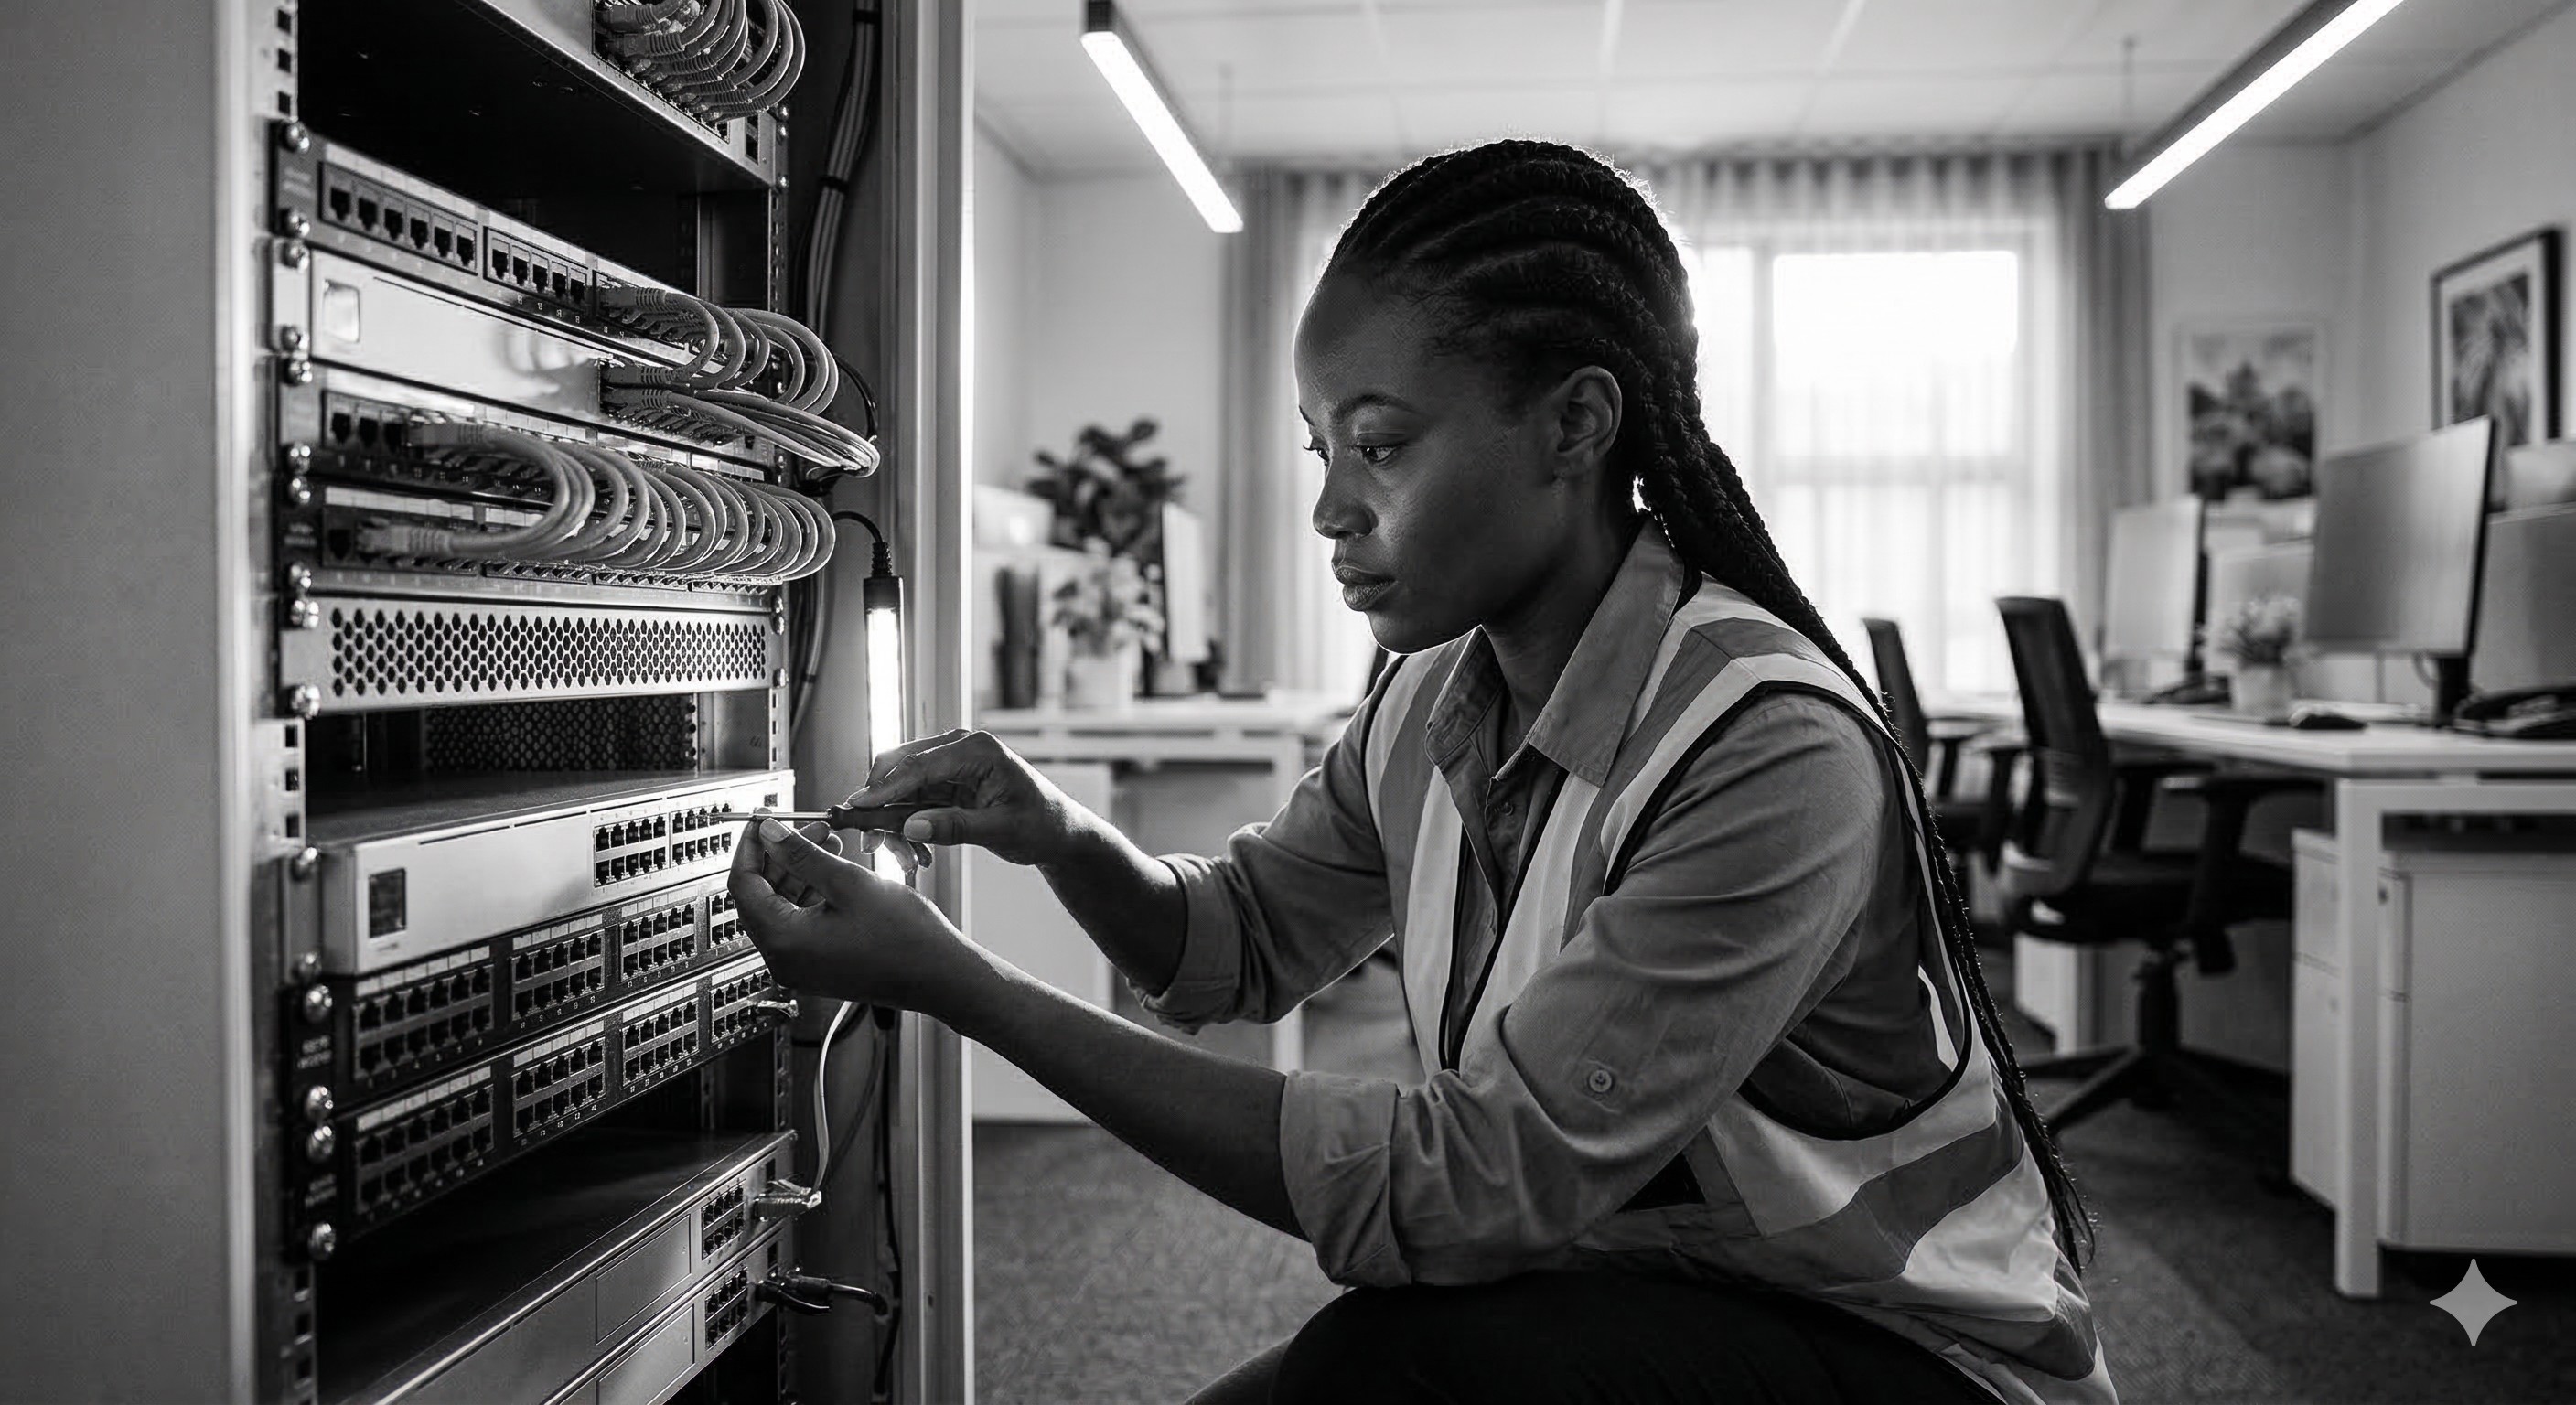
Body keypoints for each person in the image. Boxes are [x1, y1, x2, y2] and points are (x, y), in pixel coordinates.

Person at [731, 140, 2114, 1404]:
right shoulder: (1433, 693)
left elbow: (1466, 1191)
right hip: (1646, 1298)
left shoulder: (1768, 748)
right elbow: (1240, 945)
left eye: (1382, 445)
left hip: (1909, 1350)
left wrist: (959, 983)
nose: (1333, 505)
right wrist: (1054, 831)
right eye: (1325, 447)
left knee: (1373, 1379)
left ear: (1576, 428)